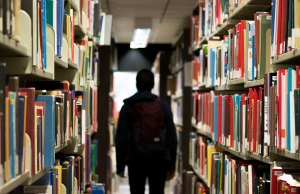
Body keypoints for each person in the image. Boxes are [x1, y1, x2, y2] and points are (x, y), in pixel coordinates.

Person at [115, 69, 178, 194]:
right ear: (153, 85)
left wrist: (120, 166)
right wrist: (171, 166)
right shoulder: (163, 106)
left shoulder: (128, 107)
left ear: (136, 85)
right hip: (159, 159)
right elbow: (172, 138)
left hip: (135, 159)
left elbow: (121, 138)